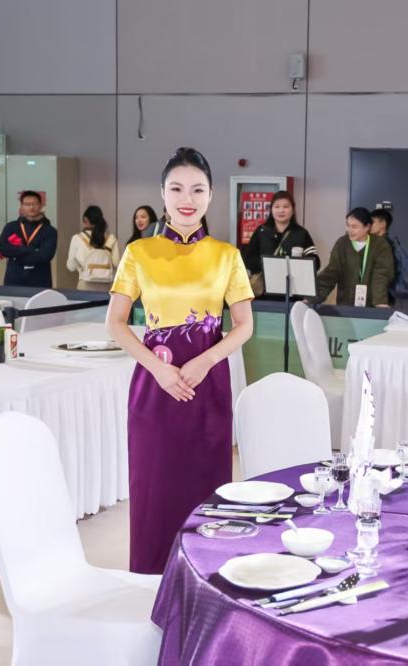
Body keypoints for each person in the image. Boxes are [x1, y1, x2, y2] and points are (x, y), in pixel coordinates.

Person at [106, 147, 254, 574]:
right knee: (154, 485)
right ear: (162, 194)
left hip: (208, 384)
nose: (187, 199)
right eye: (176, 189)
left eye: (197, 190)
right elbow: (115, 323)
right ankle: (151, 578)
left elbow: (244, 325)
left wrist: (205, 361)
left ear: (211, 196)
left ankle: (205, 578)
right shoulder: (139, 252)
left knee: (206, 484)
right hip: (155, 385)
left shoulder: (227, 255)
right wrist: (158, 369)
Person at [240, 190, 319, 297]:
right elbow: (247, 259)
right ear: (271, 210)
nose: (281, 210)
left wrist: (297, 263)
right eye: (277, 207)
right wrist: (268, 264)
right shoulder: (261, 231)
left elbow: (316, 262)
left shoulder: (301, 233)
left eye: (286, 206)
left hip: (294, 292)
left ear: (293, 210)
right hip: (265, 292)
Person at [313, 207, 394, 307]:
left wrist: (380, 302)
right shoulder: (342, 243)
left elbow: (381, 276)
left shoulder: (380, 245)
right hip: (345, 304)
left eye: (354, 227)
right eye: (348, 225)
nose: (349, 230)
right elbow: (331, 273)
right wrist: (312, 297)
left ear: (367, 227)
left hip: (371, 306)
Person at [0, 191, 58, 288]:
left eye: (34, 204)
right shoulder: (11, 227)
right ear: (22, 206)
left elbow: (45, 255)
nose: (31, 207)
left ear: (41, 206)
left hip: (40, 280)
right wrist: (30, 250)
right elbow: (3, 249)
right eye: (27, 204)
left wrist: (17, 255)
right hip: (14, 278)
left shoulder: (50, 230)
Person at [370, 206, 408, 304]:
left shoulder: (383, 245)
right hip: (385, 295)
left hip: (381, 296)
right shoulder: (387, 243)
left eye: (372, 222)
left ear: (382, 224)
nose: (369, 225)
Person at [67, 205, 120, 291]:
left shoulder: (77, 238)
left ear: (85, 220)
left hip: (85, 285)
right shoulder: (111, 238)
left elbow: (71, 266)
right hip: (106, 285)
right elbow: (116, 263)